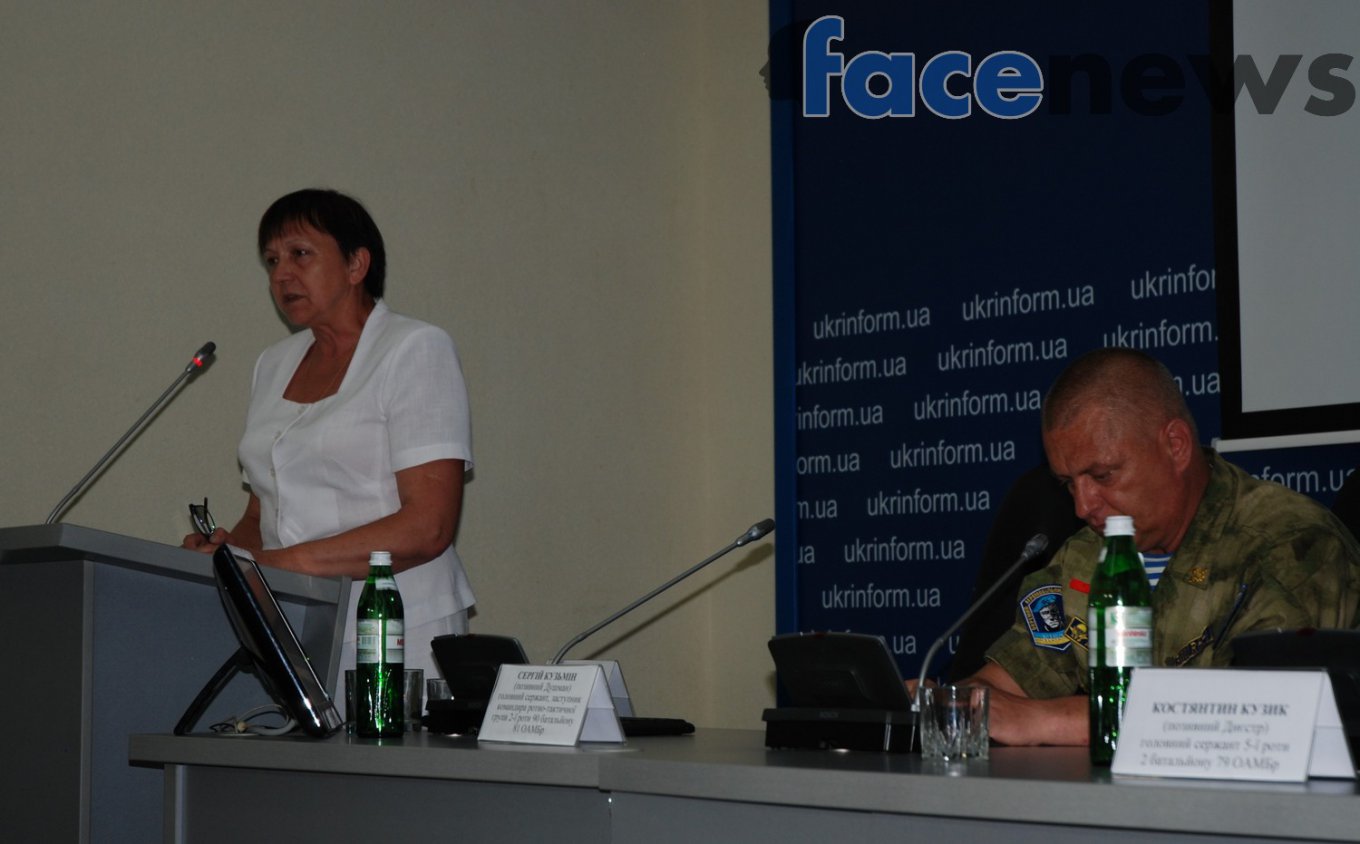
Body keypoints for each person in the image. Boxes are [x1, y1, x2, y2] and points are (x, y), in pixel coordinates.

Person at [967, 347, 1360, 746]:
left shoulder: (1290, 546)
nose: (1082, 506)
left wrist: (1048, 721)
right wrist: (953, 704)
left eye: (1102, 475)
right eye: (1069, 483)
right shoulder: (1085, 556)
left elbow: (1262, 717)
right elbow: (1007, 683)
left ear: (1175, 445)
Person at [183, 188, 474, 695]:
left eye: (300, 254)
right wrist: (227, 556)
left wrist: (272, 566)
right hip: (292, 627)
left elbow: (428, 527)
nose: (281, 275)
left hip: (394, 629)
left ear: (357, 264)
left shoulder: (414, 348)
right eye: (272, 260)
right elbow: (264, 512)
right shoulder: (273, 364)